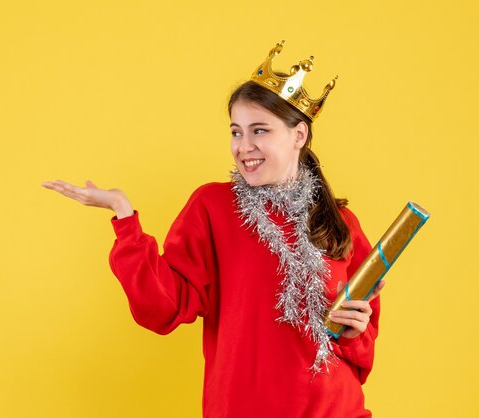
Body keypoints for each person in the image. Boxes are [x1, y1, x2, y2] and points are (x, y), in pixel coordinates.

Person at [42, 41, 385, 418]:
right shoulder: (213, 207)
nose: (244, 147)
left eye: (260, 131)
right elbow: (164, 306)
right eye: (236, 132)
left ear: (299, 136)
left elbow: (362, 349)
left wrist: (354, 331)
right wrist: (124, 217)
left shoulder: (339, 224)